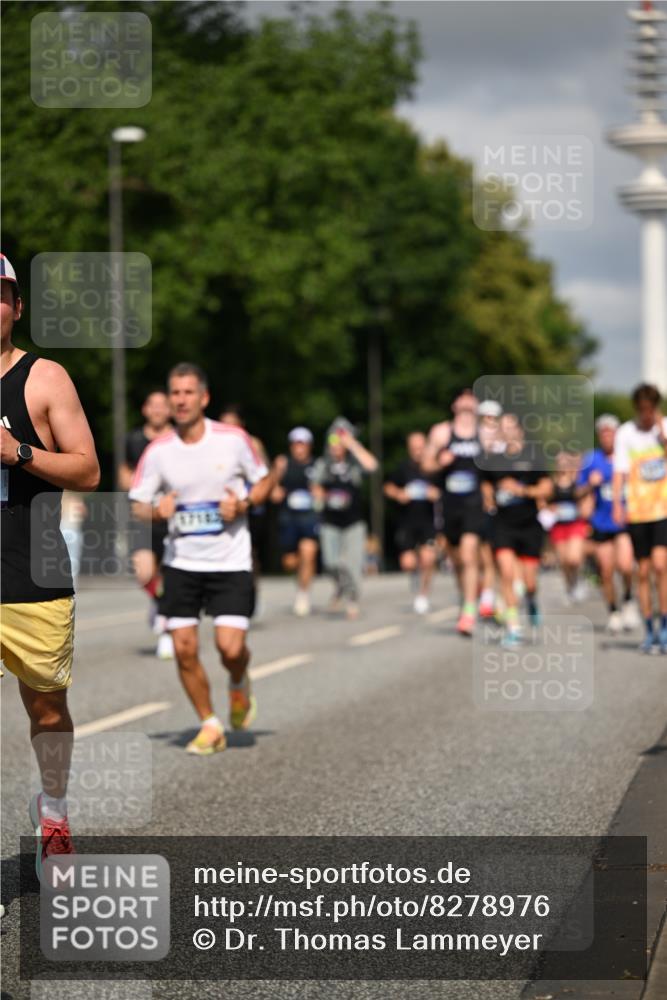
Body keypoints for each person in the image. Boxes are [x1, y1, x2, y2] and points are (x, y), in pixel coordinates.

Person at [0, 254, 100, 878]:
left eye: (0, 294)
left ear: (16, 307)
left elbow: (87, 469)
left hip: (30, 573)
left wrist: (20, 452)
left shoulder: (44, 378)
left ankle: (54, 811)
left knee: (47, 710)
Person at [129, 364, 272, 754]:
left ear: (204, 398)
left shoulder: (232, 439)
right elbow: (137, 505)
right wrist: (160, 510)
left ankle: (239, 683)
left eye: (188, 392)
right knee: (184, 647)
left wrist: (243, 503)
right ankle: (210, 723)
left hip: (230, 561)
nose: (180, 399)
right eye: (175, 392)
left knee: (230, 649)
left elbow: (265, 478)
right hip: (182, 563)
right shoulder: (158, 452)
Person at [481, 417, 551, 647]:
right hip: (503, 525)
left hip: (529, 525)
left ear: (521, 430)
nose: (507, 432)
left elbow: (547, 488)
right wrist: (489, 498)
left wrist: (522, 490)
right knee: (507, 574)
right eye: (503, 428)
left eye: (511, 428)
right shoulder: (495, 459)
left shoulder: (535, 456)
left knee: (530, 583)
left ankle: (531, 600)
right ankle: (513, 627)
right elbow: (486, 482)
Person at [423, 389, 486, 636]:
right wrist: (441, 462)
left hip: (474, 503)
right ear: (455, 404)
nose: (467, 400)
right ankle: (466, 598)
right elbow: (426, 465)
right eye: (463, 396)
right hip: (449, 505)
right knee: (457, 560)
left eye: (472, 396)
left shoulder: (486, 434)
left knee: (470, 555)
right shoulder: (441, 432)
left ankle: (469, 611)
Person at [613, 383, 667, 654]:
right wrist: (617, 505)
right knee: (642, 571)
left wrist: (662, 433)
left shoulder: (664, 428)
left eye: (651, 410)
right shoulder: (626, 432)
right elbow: (619, 471)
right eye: (642, 411)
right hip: (637, 510)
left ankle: (665, 625)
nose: (646, 415)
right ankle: (649, 630)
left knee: (661, 565)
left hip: (662, 508)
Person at [119, 389, 173, 658]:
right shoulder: (133, 440)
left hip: (173, 518)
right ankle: (157, 601)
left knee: (172, 575)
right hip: (142, 515)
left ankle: (165, 627)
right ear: (145, 409)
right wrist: (144, 488)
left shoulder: (178, 439)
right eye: (153, 405)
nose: (158, 410)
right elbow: (123, 476)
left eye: (163, 405)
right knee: (144, 573)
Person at [311, 418, 378, 619]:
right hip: (330, 522)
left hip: (353, 523)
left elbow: (372, 465)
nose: (336, 444)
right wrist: (320, 497)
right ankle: (340, 586)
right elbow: (315, 486)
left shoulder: (354, 464)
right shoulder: (323, 464)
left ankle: (352, 598)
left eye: (340, 440)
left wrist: (351, 443)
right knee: (330, 563)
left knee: (352, 564)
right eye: (334, 439)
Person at [577, 415, 639, 634]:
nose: (607, 436)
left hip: (624, 522)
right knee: (606, 571)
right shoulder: (591, 459)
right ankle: (613, 611)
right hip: (601, 523)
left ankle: (629, 599)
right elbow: (577, 491)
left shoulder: (628, 458)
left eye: (611, 431)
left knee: (625, 566)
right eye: (603, 432)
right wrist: (588, 487)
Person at [219, 403, 271, 619]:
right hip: (224, 506)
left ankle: (250, 593)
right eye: (225, 424)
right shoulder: (214, 444)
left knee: (250, 553)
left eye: (233, 424)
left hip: (250, 507)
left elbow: (264, 475)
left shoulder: (252, 443)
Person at [384, 431, 440, 614]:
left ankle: (423, 595)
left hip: (428, 522)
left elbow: (446, 491)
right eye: (414, 448)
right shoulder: (403, 468)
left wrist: (436, 494)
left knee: (428, 558)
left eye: (420, 448)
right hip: (407, 521)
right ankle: (416, 576)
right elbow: (388, 487)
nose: (418, 452)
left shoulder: (433, 470)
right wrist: (398, 494)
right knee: (408, 563)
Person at [270, 427, 320, 616]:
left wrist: (319, 493)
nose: (299, 448)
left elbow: (325, 489)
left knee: (309, 553)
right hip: (288, 518)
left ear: (309, 446)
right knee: (290, 562)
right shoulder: (284, 464)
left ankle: (303, 594)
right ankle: (301, 576)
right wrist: (276, 475)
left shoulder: (317, 466)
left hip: (309, 517)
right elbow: (273, 493)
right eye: (296, 444)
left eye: (303, 444)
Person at [546, 451, 590, 605]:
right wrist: (550, 509)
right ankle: (569, 586)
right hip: (558, 526)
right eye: (560, 462)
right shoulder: (552, 482)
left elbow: (586, 498)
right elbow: (544, 501)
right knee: (564, 561)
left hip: (575, 524)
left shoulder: (577, 481)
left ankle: (578, 579)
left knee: (574, 559)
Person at [477, 400, 504, 618]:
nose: (489, 422)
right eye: (485, 417)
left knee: (498, 555)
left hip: (501, 507)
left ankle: (496, 599)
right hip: (476, 506)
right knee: (481, 555)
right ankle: (487, 596)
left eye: (493, 418)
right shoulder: (473, 443)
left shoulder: (504, 443)